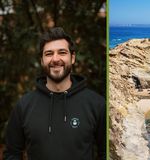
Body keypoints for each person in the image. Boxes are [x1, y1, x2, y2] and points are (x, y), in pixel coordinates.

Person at [4, 27, 106, 160]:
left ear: (72, 58)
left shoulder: (96, 104)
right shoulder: (24, 106)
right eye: (49, 53)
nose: (55, 59)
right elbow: (12, 154)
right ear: (41, 60)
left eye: (62, 52)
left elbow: (105, 152)